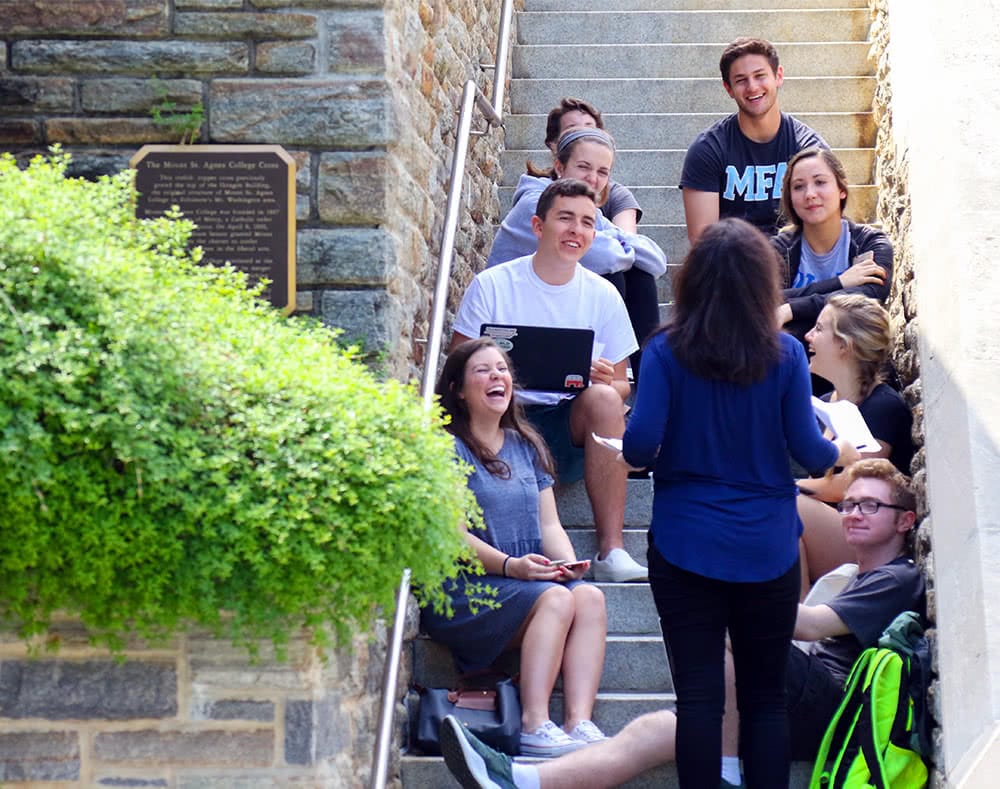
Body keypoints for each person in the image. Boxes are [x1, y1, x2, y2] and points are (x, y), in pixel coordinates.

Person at [438, 459, 926, 789]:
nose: (853, 514)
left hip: (834, 708)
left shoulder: (897, 577)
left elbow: (814, 626)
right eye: (850, 504)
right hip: (782, 703)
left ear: (906, 522)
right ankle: (518, 779)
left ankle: (727, 771)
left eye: (871, 506)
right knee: (655, 730)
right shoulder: (847, 574)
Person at [621, 218, 859, 787]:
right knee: (765, 699)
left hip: (683, 544)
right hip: (767, 546)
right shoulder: (782, 354)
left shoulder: (664, 352)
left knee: (699, 699)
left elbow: (637, 446)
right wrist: (841, 446)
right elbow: (809, 450)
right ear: (761, 284)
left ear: (693, 282)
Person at [451, 179, 647, 583]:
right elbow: (458, 367)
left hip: (565, 422)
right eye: (565, 219)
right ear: (538, 226)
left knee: (607, 401)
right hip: (500, 420)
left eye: (588, 223)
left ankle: (611, 549)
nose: (577, 230)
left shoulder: (604, 295)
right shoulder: (492, 285)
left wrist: (605, 379)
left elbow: (625, 384)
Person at [421, 337, 608, 757]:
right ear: (458, 390)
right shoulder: (446, 447)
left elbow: (548, 523)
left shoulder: (527, 445)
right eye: (483, 370)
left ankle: (579, 721)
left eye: (503, 369)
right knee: (557, 602)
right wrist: (511, 567)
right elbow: (452, 536)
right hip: (466, 588)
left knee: (590, 597)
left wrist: (564, 563)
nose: (497, 376)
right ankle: (534, 723)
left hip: (523, 583)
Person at [488, 127, 666, 378]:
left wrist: (618, 245)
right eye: (584, 167)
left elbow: (657, 262)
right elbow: (604, 257)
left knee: (640, 277)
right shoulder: (536, 203)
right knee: (612, 274)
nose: (593, 179)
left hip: (558, 309)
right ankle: (613, 384)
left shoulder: (590, 211)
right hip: (515, 322)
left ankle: (647, 388)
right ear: (560, 167)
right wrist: (622, 245)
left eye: (602, 172)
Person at [797, 294, 914, 597]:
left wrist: (785, 485)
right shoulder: (825, 405)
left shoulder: (883, 405)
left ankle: (793, 625)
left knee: (787, 506)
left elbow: (850, 485)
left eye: (820, 329)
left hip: (870, 540)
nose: (808, 336)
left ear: (844, 347)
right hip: (833, 532)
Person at [680, 37, 828, 243]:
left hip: (795, 264)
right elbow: (703, 242)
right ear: (728, 88)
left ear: (778, 76)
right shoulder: (708, 149)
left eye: (760, 76)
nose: (752, 87)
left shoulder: (808, 148)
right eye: (741, 80)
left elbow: (824, 229)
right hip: (734, 265)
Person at [773, 147, 894, 344]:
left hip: (852, 362)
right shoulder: (777, 250)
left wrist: (792, 310)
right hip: (794, 361)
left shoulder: (870, 243)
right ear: (790, 198)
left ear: (842, 190)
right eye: (798, 186)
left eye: (820, 182)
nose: (810, 194)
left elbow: (870, 296)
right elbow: (761, 301)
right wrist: (840, 283)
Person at [537, 97, 642, 232]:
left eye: (590, 131)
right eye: (573, 130)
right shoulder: (535, 191)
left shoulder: (616, 194)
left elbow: (628, 244)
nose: (583, 138)